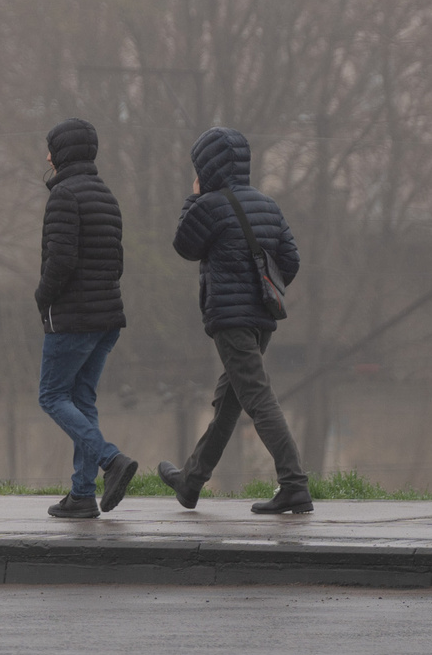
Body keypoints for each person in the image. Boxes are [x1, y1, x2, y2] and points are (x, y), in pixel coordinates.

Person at [157, 125, 311, 514]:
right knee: (229, 401)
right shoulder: (268, 204)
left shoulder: (209, 205)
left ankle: (294, 484)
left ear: (207, 166)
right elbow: (290, 261)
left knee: (257, 397)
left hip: (229, 319)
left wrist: (193, 199)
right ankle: (190, 481)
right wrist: (259, 290)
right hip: (262, 318)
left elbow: (184, 245)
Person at [32, 116, 139, 518]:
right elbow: (118, 262)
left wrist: (42, 298)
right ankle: (81, 495)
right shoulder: (106, 195)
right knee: (81, 400)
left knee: (52, 396)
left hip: (73, 319)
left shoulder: (64, 196)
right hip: (107, 318)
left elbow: (59, 262)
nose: (46, 156)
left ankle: (110, 460)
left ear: (62, 153)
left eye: (50, 148)